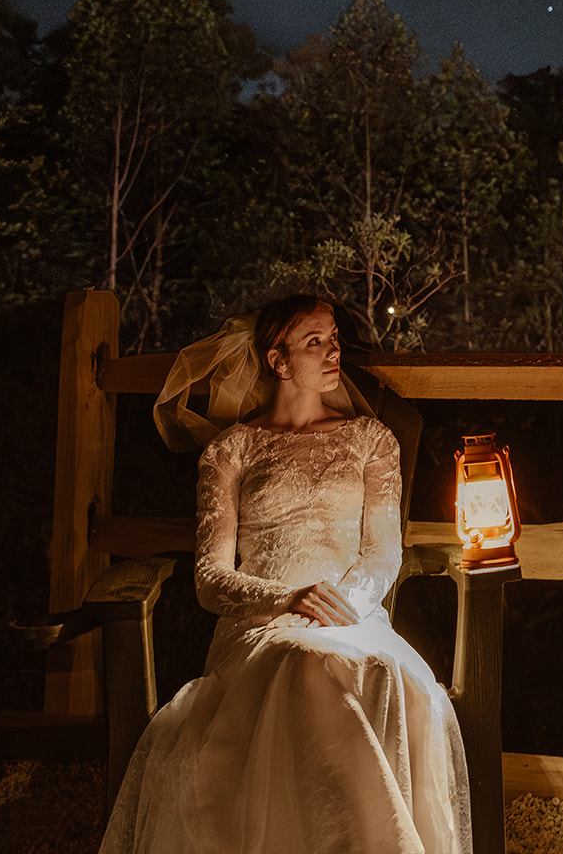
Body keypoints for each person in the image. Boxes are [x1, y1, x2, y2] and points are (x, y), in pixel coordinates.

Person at [99, 293, 472, 854]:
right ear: (277, 361)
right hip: (263, 623)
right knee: (301, 660)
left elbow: (382, 554)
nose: (332, 353)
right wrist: (288, 600)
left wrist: (339, 608)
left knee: (362, 664)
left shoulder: (371, 441)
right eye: (314, 342)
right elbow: (209, 577)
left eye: (335, 341)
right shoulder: (232, 451)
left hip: (353, 614)